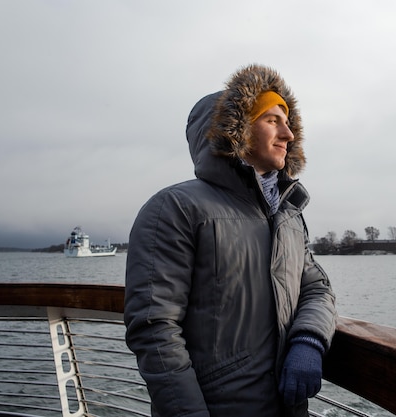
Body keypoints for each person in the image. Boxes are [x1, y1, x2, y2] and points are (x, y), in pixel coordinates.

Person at [124, 64, 337, 417]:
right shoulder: (175, 208)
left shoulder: (288, 215)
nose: (288, 134)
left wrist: (309, 340)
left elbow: (317, 289)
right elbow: (155, 328)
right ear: (233, 130)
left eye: (288, 122)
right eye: (272, 120)